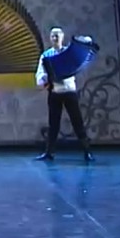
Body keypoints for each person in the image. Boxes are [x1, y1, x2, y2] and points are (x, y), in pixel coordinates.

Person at [34, 27, 94, 162]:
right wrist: (47, 78)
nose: (55, 38)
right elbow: (40, 74)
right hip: (55, 92)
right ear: (50, 38)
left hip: (69, 92)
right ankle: (49, 153)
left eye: (57, 36)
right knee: (53, 124)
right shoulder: (46, 55)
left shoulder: (68, 53)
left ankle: (87, 151)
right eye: (53, 36)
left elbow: (79, 61)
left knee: (77, 122)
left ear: (62, 37)